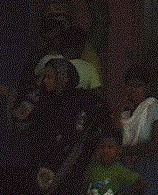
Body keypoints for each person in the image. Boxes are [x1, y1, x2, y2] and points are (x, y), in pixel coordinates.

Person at [16, 58, 109, 195]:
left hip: (71, 166)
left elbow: (100, 119)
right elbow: (18, 106)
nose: (44, 81)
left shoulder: (82, 99)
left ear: (62, 78)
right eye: (44, 77)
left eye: (49, 77)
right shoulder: (41, 98)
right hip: (43, 164)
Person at [118, 66, 158, 195]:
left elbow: (154, 146)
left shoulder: (152, 106)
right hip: (126, 169)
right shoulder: (126, 113)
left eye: (138, 86)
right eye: (130, 86)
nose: (133, 90)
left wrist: (124, 151)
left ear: (146, 88)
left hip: (146, 168)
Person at [84, 129, 142, 195]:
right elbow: (85, 184)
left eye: (110, 147)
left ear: (118, 150)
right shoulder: (93, 166)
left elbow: (140, 183)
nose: (106, 151)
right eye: (102, 147)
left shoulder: (120, 170)